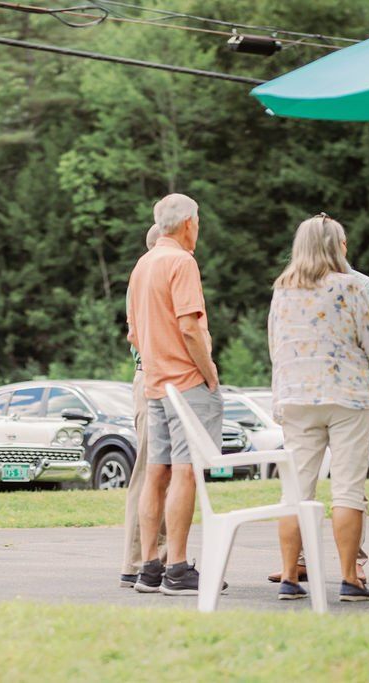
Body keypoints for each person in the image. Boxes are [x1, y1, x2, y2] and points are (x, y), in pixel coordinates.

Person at [269, 213, 369, 602]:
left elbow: (275, 346)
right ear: (337, 246)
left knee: (296, 490)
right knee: (348, 488)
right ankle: (350, 578)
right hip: (347, 396)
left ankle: (290, 576)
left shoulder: (283, 289)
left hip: (296, 396)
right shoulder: (352, 287)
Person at [126, 193, 223, 596]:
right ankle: (178, 568)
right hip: (185, 382)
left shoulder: (143, 265)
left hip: (154, 383)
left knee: (156, 472)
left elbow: (133, 333)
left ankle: (150, 566)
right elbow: (189, 327)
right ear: (188, 223)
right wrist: (209, 372)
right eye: (197, 221)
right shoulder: (182, 262)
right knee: (185, 472)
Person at [120, 224, 167, 587]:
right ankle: (138, 561)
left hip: (151, 376)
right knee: (150, 469)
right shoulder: (148, 275)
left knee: (159, 469)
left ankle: (160, 556)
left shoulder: (142, 275)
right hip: (153, 376)